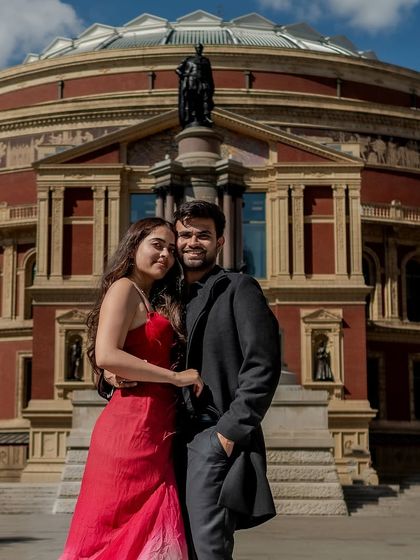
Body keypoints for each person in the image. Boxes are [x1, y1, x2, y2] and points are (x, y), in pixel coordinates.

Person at [59, 217, 203, 560]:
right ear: (134, 245)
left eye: (171, 249)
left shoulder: (153, 297)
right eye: (156, 244)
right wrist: (175, 377)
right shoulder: (123, 288)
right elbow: (108, 352)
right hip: (129, 432)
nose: (166, 254)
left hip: (156, 434)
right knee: (109, 536)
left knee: (151, 538)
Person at [174, 201, 281, 560]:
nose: (192, 242)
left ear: (220, 241)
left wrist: (226, 434)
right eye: (185, 234)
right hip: (163, 437)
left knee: (208, 550)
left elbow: (262, 366)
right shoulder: (165, 299)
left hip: (209, 435)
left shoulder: (239, 288)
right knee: (173, 546)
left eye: (203, 235)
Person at [176, 43, 214, 128]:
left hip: (203, 81)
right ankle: (192, 116)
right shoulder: (188, 59)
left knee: (205, 98)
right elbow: (178, 69)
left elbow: (209, 74)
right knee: (193, 99)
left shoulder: (205, 60)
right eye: (197, 48)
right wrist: (184, 76)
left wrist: (211, 86)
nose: (199, 49)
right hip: (192, 81)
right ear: (195, 49)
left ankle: (206, 116)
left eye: (200, 48)